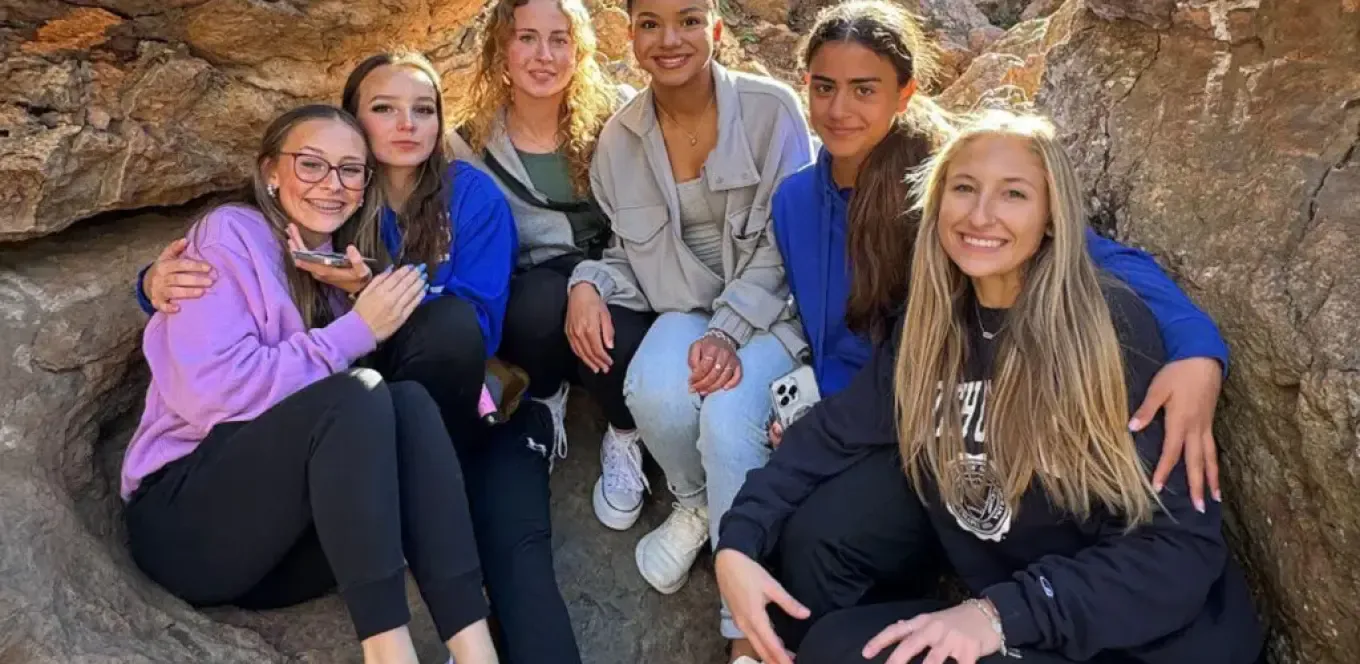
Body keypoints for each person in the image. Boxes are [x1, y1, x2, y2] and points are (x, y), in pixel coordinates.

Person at [717, 110, 1263, 664]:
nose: (981, 214)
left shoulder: (1107, 331)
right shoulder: (934, 326)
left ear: (1051, 217)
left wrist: (999, 615)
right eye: (964, 188)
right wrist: (739, 540)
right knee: (825, 583)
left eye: (1013, 194)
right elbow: (833, 433)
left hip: (1142, 639)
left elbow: (1179, 549)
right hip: (1029, 600)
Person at [137, 53, 580, 664]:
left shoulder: (337, 265)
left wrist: (360, 307)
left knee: (406, 403)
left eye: (348, 170)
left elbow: (464, 327)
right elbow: (210, 393)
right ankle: (389, 655)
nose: (332, 183)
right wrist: (355, 331)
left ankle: (475, 652)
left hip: (288, 554)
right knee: (361, 394)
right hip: (191, 524)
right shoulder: (231, 236)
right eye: (310, 164)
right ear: (270, 172)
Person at [563, 0, 813, 654]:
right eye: (650, 23)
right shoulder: (618, 141)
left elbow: (788, 241)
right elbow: (628, 254)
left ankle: (745, 631)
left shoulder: (773, 111)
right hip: (690, 311)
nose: (669, 39)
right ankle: (697, 501)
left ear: (716, 30)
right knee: (654, 391)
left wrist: (727, 332)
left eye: (689, 20)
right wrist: (588, 283)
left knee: (727, 419)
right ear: (630, 36)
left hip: (775, 312)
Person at [139, 51, 517, 449]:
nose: (407, 124)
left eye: (424, 110)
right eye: (384, 108)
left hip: (430, 379)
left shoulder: (471, 197)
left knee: (450, 324)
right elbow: (250, 259)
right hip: (326, 389)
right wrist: (152, 284)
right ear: (352, 120)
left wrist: (366, 293)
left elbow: (473, 330)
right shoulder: (331, 197)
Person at [447, 0, 655, 519]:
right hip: (539, 298)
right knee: (534, 305)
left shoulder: (619, 117)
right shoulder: (468, 143)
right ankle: (544, 398)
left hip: (624, 276)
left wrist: (591, 281)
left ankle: (623, 432)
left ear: (579, 51)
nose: (544, 55)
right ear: (501, 49)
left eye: (559, 39)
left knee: (616, 337)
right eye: (527, 38)